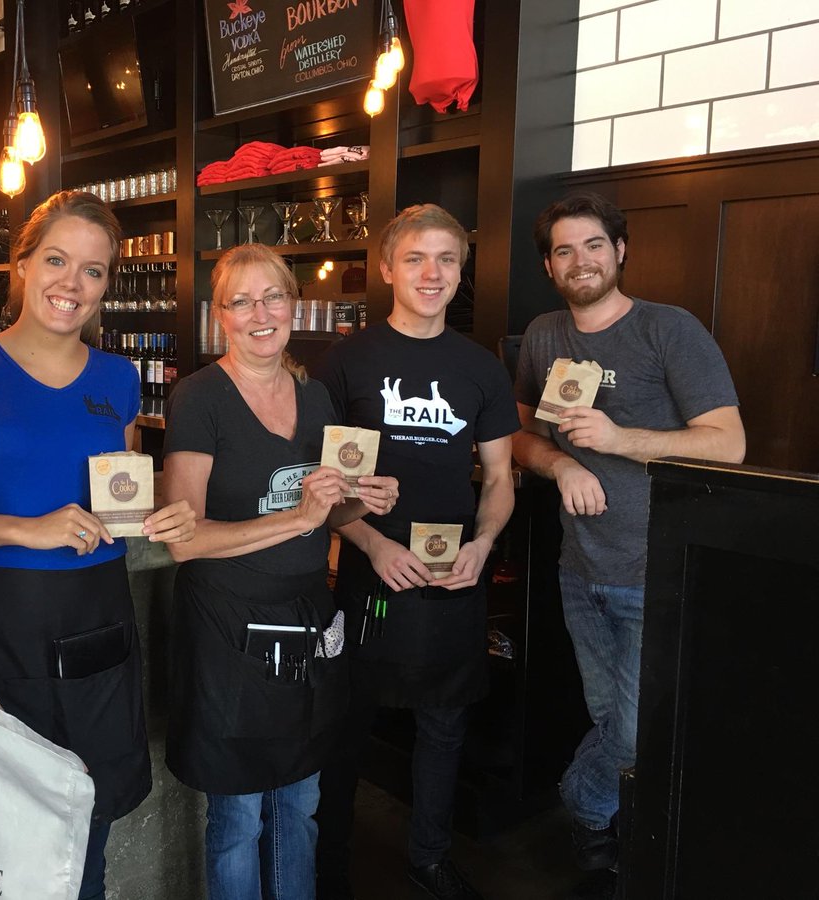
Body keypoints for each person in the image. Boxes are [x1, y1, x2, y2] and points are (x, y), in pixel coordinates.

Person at [0, 190, 196, 900]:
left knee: (84, 812)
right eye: (56, 260)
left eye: (93, 271)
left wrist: (160, 516)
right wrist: (24, 529)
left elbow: (116, 499)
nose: (72, 283)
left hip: (97, 617)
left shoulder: (118, 379)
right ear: (21, 265)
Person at [511, 191, 745, 890]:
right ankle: (616, 833)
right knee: (611, 718)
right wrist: (564, 461)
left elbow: (728, 444)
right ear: (549, 266)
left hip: (656, 568)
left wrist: (619, 439)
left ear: (620, 251)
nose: (579, 260)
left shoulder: (668, 330)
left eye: (592, 245)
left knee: (637, 731)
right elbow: (521, 437)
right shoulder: (545, 333)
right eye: (563, 250)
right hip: (578, 566)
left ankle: (585, 810)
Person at [162, 243, 398, 900]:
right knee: (238, 817)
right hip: (227, 628)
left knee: (300, 802)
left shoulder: (317, 396)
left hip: (304, 623)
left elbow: (324, 508)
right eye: (243, 301)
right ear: (222, 316)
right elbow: (184, 539)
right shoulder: (199, 397)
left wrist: (360, 500)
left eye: (273, 297)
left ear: (293, 306)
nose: (260, 313)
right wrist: (298, 520)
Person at [312, 204, 519, 900]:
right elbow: (325, 488)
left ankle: (427, 858)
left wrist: (484, 545)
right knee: (347, 725)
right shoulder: (348, 361)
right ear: (387, 268)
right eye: (416, 259)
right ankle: (329, 862)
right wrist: (370, 542)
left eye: (447, 260)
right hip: (371, 575)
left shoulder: (479, 368)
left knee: (445, 724)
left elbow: (499, 478)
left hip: (452, 575)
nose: (433, 274)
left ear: (461, 271)